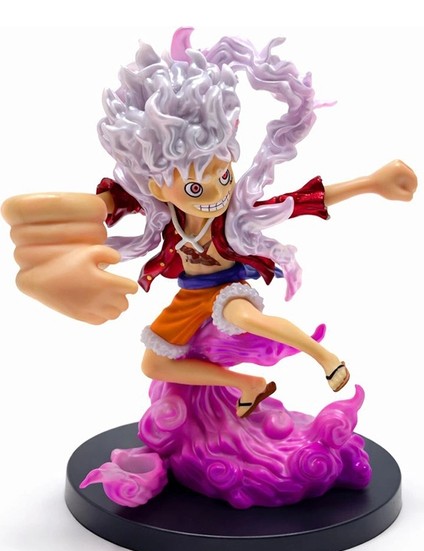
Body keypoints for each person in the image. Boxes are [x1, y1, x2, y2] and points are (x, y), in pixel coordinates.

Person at [1, 29, 417, 419]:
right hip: (189, 295)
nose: (218, 192)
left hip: (227, 287)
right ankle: (248, 385)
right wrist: (58, 243)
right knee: (153, 363)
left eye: (224, 175)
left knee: (244, 316)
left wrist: (371, 183)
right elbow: (106, 204)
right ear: (158, 186)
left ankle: (326, 359)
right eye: (196, 188)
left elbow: (300, 201)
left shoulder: (235, 213)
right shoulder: (161, 213)